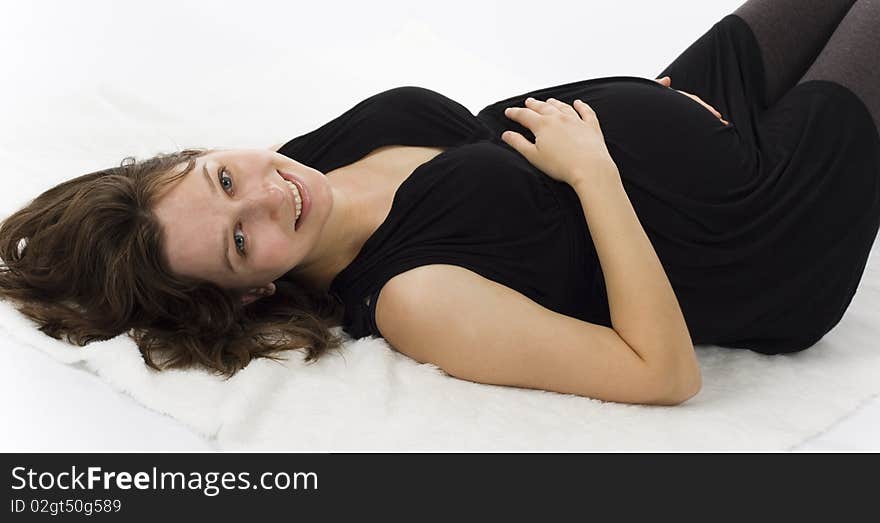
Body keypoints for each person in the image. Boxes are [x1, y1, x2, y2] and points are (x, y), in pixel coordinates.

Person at [1, 0, 877, 406]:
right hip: (763, 225)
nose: (268, 198)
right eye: (239, 243)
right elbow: (662, 371)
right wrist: (602, 170)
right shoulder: (413, 298)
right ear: (247, 294)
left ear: (197, 154)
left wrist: (650, 104)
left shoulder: (303, 165)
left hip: (702, 109)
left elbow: (517, 166)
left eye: (223, 178)